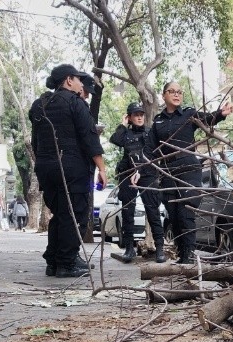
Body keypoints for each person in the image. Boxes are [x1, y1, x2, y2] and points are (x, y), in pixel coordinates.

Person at [29, 64, 108, 278]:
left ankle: (53, 261)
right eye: (79, 80)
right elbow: (89, 139)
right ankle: (67, 263)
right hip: (72, 169)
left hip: (46, 169)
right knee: (75, 214)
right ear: (69, 80)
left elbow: (35, 142)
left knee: (61, 214)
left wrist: (46, 165)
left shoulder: (39, 105)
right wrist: (101, 169)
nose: (82, 84)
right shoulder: (75, 103)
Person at [146, 82, 233, 264]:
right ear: (164, 95)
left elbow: (207, 118)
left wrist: (220, 114)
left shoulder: (188, 113)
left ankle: (189, 255)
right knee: (174, 215)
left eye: (179, 92)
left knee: (186, 213)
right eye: (172, 91)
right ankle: (182, 253)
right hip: (169, 172)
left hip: (189, 169)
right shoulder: (158, 121)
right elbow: (150, 150)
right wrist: (141, 170)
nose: (177, 95)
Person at [110, 102, 166, 263]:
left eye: (141, 114)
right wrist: (122, 124)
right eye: (136, 115)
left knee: (153, 211)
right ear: (129, 117)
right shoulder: (125, 134)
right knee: (127, 212)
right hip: (128, 174)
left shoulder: (150, 132)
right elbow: (115, 139)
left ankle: (159, 249)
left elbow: (157, 151)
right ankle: (129, 248)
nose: (140, 117)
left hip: (147, 174)